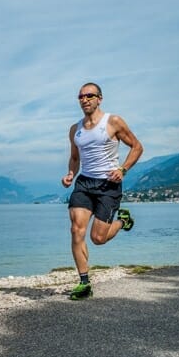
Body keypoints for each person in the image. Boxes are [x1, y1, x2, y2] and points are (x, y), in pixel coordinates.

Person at [61, 82, 143, 300]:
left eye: (89, 95)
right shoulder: (75, 130)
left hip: (108, 185)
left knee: (98, 238)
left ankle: (123, 222)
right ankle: (84, 283)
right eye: (81, 97)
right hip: (84, 184)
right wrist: (70, 173)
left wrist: (123, 169)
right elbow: (75, 158)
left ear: (99, 98)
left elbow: (137, 147)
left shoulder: (113, 122)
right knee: (76, 230)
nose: (84, 99)